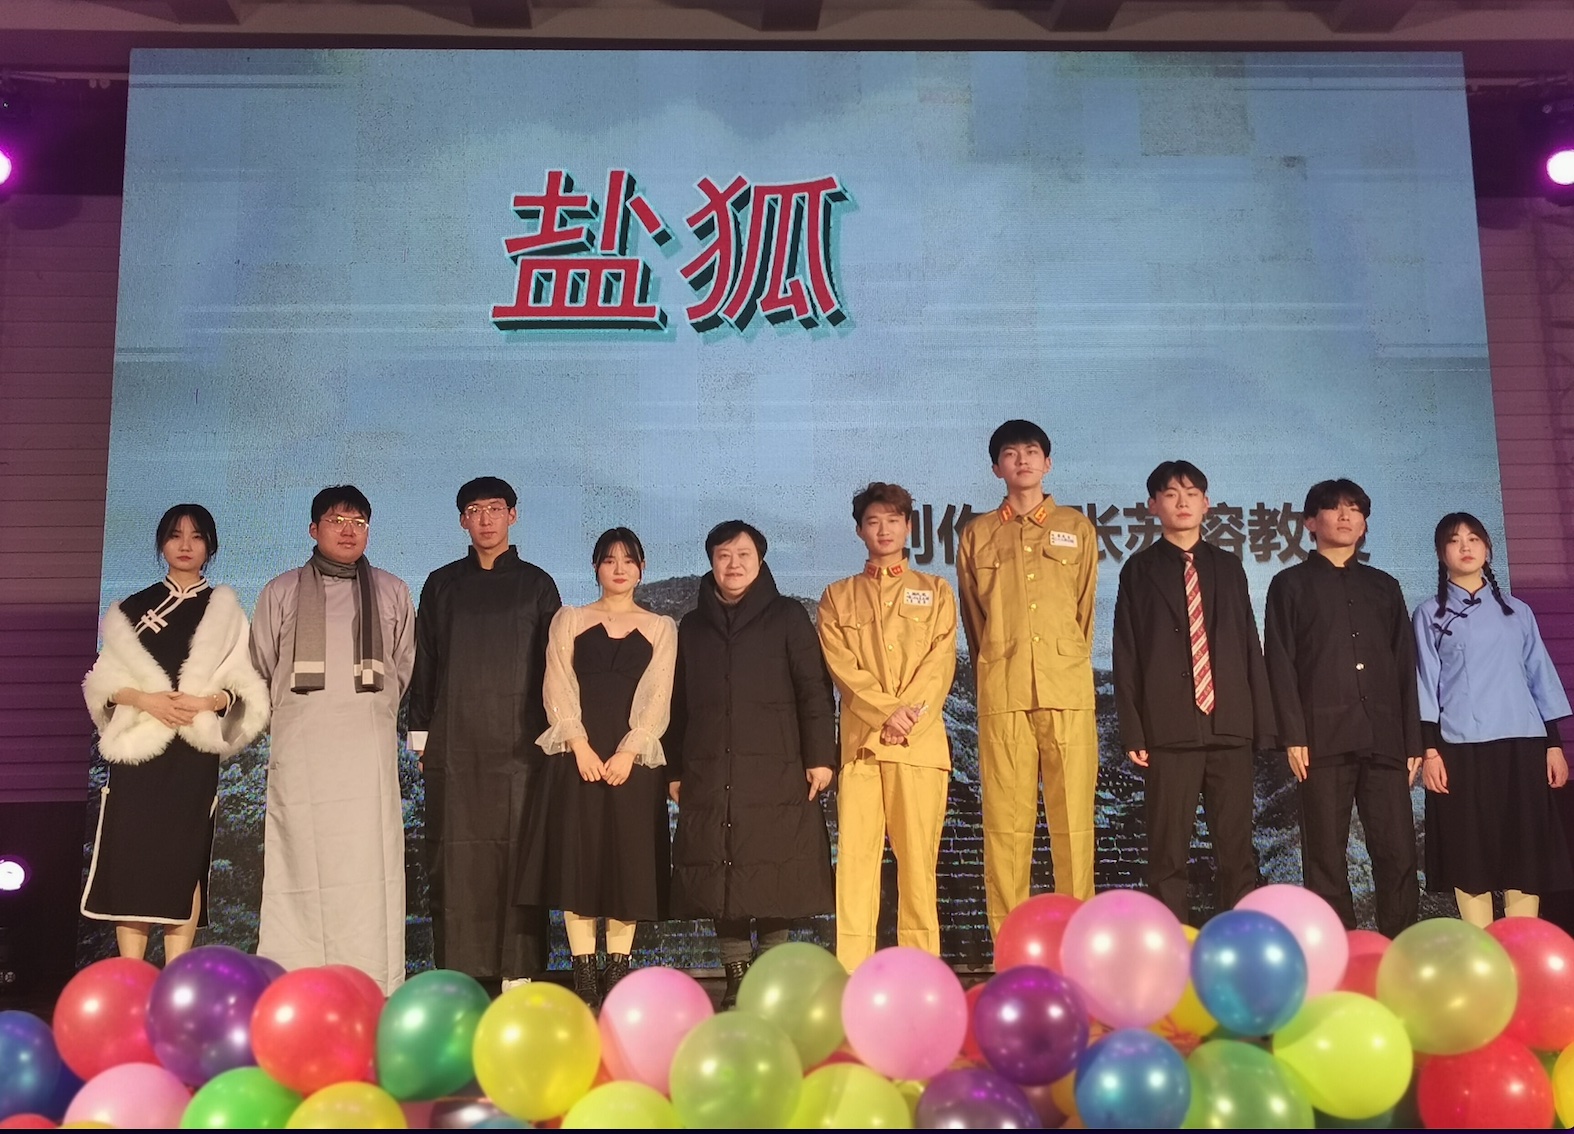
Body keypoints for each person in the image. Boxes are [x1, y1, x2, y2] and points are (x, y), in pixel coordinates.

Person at [82, 505, 269, 962]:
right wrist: (146, 701)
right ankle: (131, 975)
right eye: (175, 535)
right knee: (131, 857)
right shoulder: (132, 609)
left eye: (197, 536)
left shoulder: (226, 611)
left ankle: (178, 973)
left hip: (191, 755)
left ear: (211, 546)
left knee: (184, 860)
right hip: (139, 752)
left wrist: (208, 703)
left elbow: (243, 686)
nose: (186, 545)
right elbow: (103, 684)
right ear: (161, 543)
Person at [250, 486, 415, 992]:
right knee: (298, 860)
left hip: (367, 748)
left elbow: (403, 667)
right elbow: (260, 666)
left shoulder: (392, 590)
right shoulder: (280, 591)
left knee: (370, 863)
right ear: (313, 529)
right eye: (337, 520)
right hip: (302, 747)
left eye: (358, 522)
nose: (348, 531)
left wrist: (373, 709)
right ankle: (292, 981)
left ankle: (373, 982)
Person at [667, 520, 836, 1006]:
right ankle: (737, 975)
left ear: (760, 561)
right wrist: (674, 769)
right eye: (723, 555)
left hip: (777, 765)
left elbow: (813, 689)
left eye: (743, 555)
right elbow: (678, 703)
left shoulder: (787, 616)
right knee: (722, 870)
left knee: (773, 869)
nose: (734, 564)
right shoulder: (692, 626)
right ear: (711, 562)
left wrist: (821, 757)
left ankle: (773, 977)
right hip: (711, 767)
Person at [408, 477, 561, 991]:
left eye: (495, 508)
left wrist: (555, 736)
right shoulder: (441, 584)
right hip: (455, 743)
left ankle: (519, 969)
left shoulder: (538, 585)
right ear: (462, 521)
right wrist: (422, 737)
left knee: (519, 855)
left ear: (513, 515)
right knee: (455, 857)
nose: (486, 519)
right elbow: (426, 663)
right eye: (475, 510)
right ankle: (459, 973)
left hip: (522, 743)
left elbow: (555, 668)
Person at [517, 528, 676, 1006]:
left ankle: (617, 974)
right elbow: (557, 685)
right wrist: (580, 746)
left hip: (634, 763)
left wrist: (629, 751)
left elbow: (658, 696)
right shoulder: (569, 619)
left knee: (627, 864)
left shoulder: (661, 627)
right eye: (609, 560)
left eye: (629, 560)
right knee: (579, 864)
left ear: (642, 569)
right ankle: (584, 977)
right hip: (576, 759)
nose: (619, 568)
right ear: (595, 567)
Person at [1112, 462, 1275, 923]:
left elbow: (1249, 644)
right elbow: (1127, 653)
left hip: (1229, 728)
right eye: (1170, 494)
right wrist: (1133, 730)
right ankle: (1171, 946)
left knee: (1236, 851)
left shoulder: (1228, 566)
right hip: (1169, 730)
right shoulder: (1139, 570)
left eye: (1191, 493)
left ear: (1206, 503)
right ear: (1152, 506)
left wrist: (1261, 724)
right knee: (1167, 855)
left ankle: (1238, 940)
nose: (1181, 502)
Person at [956, 419, 1098, 932]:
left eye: (1032, 451)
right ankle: (1008, 945)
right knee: (1006, 827)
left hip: (1067, 690)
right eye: (1011, 453)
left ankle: (1079, 944)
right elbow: (975, 621)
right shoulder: (977, 534)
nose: (1022, 460)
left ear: (1048, 462)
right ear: (997, 468)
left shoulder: (1077, 528)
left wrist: (1063, 659)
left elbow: (1084, 611)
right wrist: (1000, 662)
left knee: (1074, 825)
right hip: (1004, 691)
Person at [1264, 479, 1421, 937]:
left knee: (1397, 852)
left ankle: (1401, 945)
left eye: (1354, 509)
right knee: (1324, 856)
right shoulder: (1289, 585)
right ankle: (1339, 948)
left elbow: (1404, 666)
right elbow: (1280, 663)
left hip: (1384, 738)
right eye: (1333, 508)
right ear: (1311, 522)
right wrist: (1293, 734)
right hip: (1321, 739)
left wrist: (1413, 740)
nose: (1346, 516)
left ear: (1365, 522)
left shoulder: (1384, 586)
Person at [818, 482, 956, 969]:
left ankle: (921, 975)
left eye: (893, 520)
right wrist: (886, 714)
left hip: (919, 748)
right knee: (855, 869)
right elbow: (842, 668)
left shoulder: (937, 591)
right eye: (873, 521)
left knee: (918, 868)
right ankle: (852, 976)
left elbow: (940, 665)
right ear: (860, 530)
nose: (884, 529)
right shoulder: (837, 597)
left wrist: (906, 717)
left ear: (909, 527)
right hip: (862, 749)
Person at [1415, 512, 1573, 926]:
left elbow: (1539, 676)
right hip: (1461, 747)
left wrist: (1554, 744)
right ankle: (1480, 949)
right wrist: (1429, 750)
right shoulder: (1429, 613)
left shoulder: (1518, 611)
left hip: (1523, 744)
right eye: (1454, 540)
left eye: (1474, 538)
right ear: (1441, 554)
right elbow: (1424, 683)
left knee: (1525, 853)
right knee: (1471, 856)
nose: (1465, 547)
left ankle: (1522, 947)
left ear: (1487, 548)